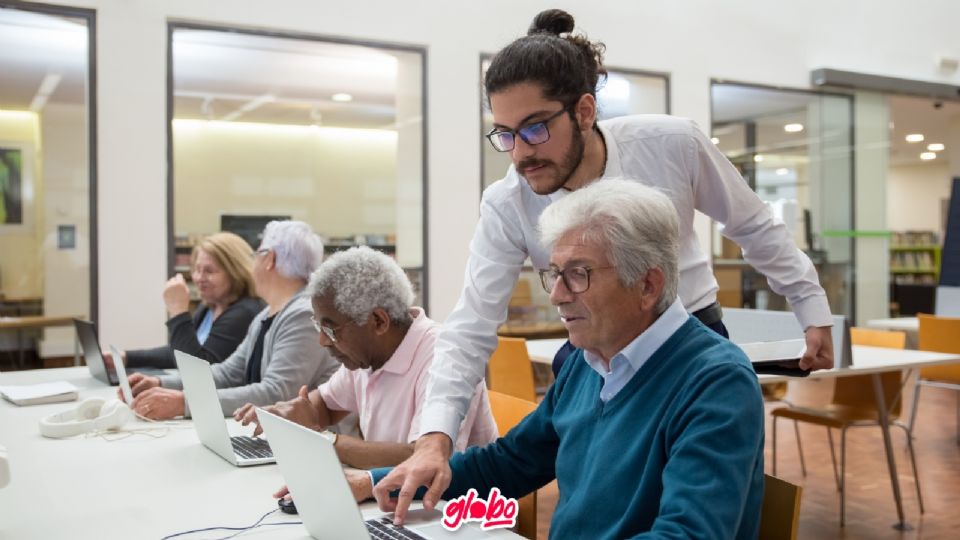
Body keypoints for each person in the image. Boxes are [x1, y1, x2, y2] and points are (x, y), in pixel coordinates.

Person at [383, 9, 834, 519]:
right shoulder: (508, 200)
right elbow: (470, 328)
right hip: (593, 355)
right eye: (504, 134)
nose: (519, 155)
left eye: (533, 129)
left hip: (687, 343)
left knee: (686, 503)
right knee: (596, 500)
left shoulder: (670, 144)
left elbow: (752, 225)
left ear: (584, 110)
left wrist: (810, 308)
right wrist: (434, 437)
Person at [364, 180, 765, 538]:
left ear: (647, 284)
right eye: (554, 273)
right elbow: (508, 464)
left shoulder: (716, 381)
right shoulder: (587, 360)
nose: (556, 294)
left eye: (578, 273)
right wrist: (372, 481)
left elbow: (688, 534)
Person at [235, 246, 497, 470]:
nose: (323, 341)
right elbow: (326, 405)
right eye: (319, 326)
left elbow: (423, 458)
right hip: (401, 498)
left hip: (461, 510)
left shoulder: (444, 358)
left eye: (331, 329)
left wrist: (322, 439)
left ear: (378, 321)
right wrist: (287, 413)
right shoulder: (364, 357)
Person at [125, 221, 340, 420]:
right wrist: (161, 383)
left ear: (269, 259)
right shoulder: (266, 315)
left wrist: (185, 403)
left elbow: (277, 393)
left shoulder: (303, 315)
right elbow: (227, 374)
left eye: (257, 254)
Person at [111, 232, 264, 369]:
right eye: (197, 270)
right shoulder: (209, 308)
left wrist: (178, 310)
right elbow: (180, 351)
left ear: (235, 273)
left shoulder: (243, 313)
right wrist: (126, 357)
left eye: (209, 271)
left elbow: (197, 367)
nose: (199, 278)